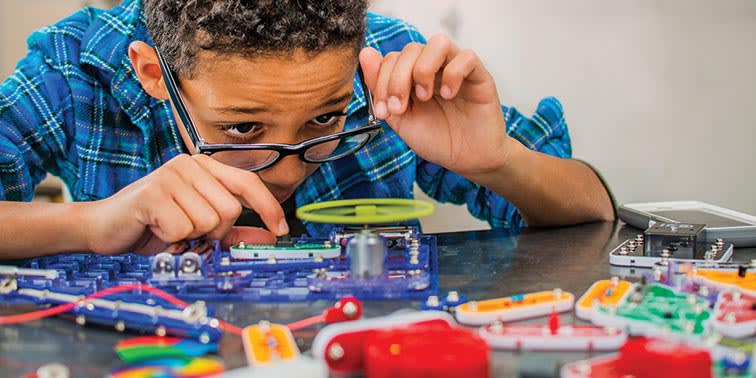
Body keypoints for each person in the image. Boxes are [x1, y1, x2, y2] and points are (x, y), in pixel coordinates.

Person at [0, 0, 614, 260]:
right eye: (242, 127)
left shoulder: (391, 69)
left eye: (326, 117)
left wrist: (494, 161)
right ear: (153, 75)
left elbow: (596, 208)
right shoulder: (77, 69)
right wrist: (91, 223)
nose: (291, 169)